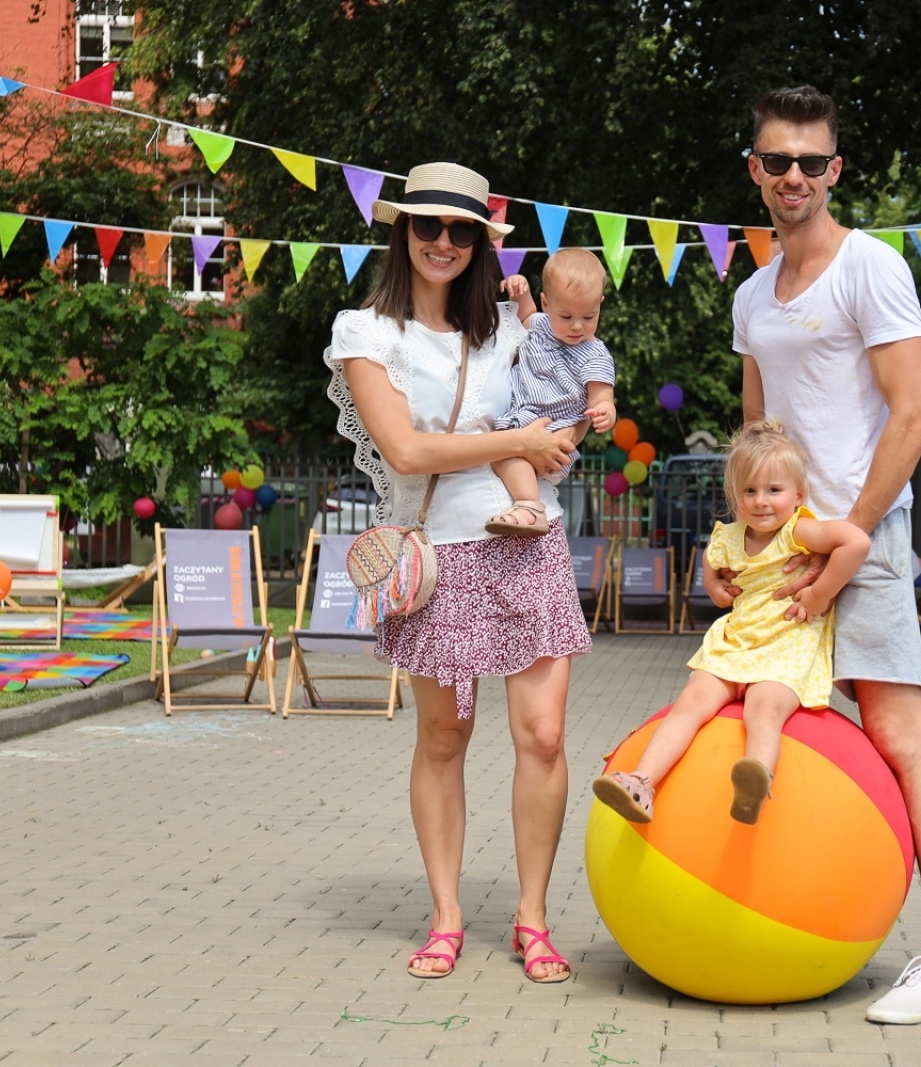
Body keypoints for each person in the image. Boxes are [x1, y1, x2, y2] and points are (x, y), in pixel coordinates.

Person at [730, 86, 921, 1024]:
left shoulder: (870, 268)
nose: (792, 176)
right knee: (764, 715)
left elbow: (914, 414)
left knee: (900, 736)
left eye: (811, 162)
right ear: (754, 170)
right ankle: (781, 908)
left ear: (834, 171)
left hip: (863, 543)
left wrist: (853, 544)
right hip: (780, 553)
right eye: (776, 160)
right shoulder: (752, 292)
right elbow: (754, 434)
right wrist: (736, 543)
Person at [323, 161, 589, 984]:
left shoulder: (512, 333)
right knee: (444, 735)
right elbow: (405, 449)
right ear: (402, 231)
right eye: (428, 225)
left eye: (461, 229)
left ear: (480, 241)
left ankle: (533, 918)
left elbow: (563, 413)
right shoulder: (365, 331)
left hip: (528, 539)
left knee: (541, 735)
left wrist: (567, 427)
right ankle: (445, 916)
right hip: (440, 557)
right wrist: (514, 442)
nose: (444, 241)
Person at [591, 420, 870, 825]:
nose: (761, 501)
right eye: (749, 491)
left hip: (785, 646)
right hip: (734, 645)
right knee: (689, 703)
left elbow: (856, 543)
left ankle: (755, 778)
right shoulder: (728, 537)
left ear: (798, 495)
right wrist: (713, 587)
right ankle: (641, 782)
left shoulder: (799, 531)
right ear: (734, 495)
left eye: (774, 490)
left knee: (765, 709)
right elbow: (709, 558)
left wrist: (819, 593)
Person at [486, 249, 617, 535]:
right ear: (546, 303)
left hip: (558, 431)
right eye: (566, 315)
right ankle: (528, 501)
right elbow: (525, 313)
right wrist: (519, 289)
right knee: (499, 448)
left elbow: (603, 396)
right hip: (520, 419)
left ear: (600, 305)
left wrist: (605, 412)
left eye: (589, 315)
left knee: (507, 454)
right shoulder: (541, 325)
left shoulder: (595, 353)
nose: (577, 325)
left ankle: (530, 506)